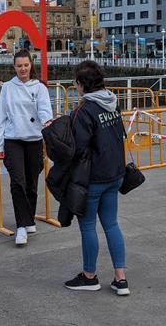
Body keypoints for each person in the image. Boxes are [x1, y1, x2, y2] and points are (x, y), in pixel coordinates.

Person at [64, 60, 129, 296]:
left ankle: (89, 276)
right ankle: (120, 278)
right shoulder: (113, 103)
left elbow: (78, 147)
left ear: (81, 85)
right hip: (115, 174)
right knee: (111, 224)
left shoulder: (85, 110)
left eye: (76, 83)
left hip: (93, 178)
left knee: (88, 226)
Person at [0, 49, 53, 246]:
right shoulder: (7, 88)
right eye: (19, 66)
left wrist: (48, 127)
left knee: (31, 182)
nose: (23, 69)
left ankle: (29, 218)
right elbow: (1, 116)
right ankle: (21, 225)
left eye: (26, 65)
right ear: (14, 67)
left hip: (34, 139)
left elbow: (45, 111)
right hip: (13, 139)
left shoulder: (40, 88)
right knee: (17, 182)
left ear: (31, 65)